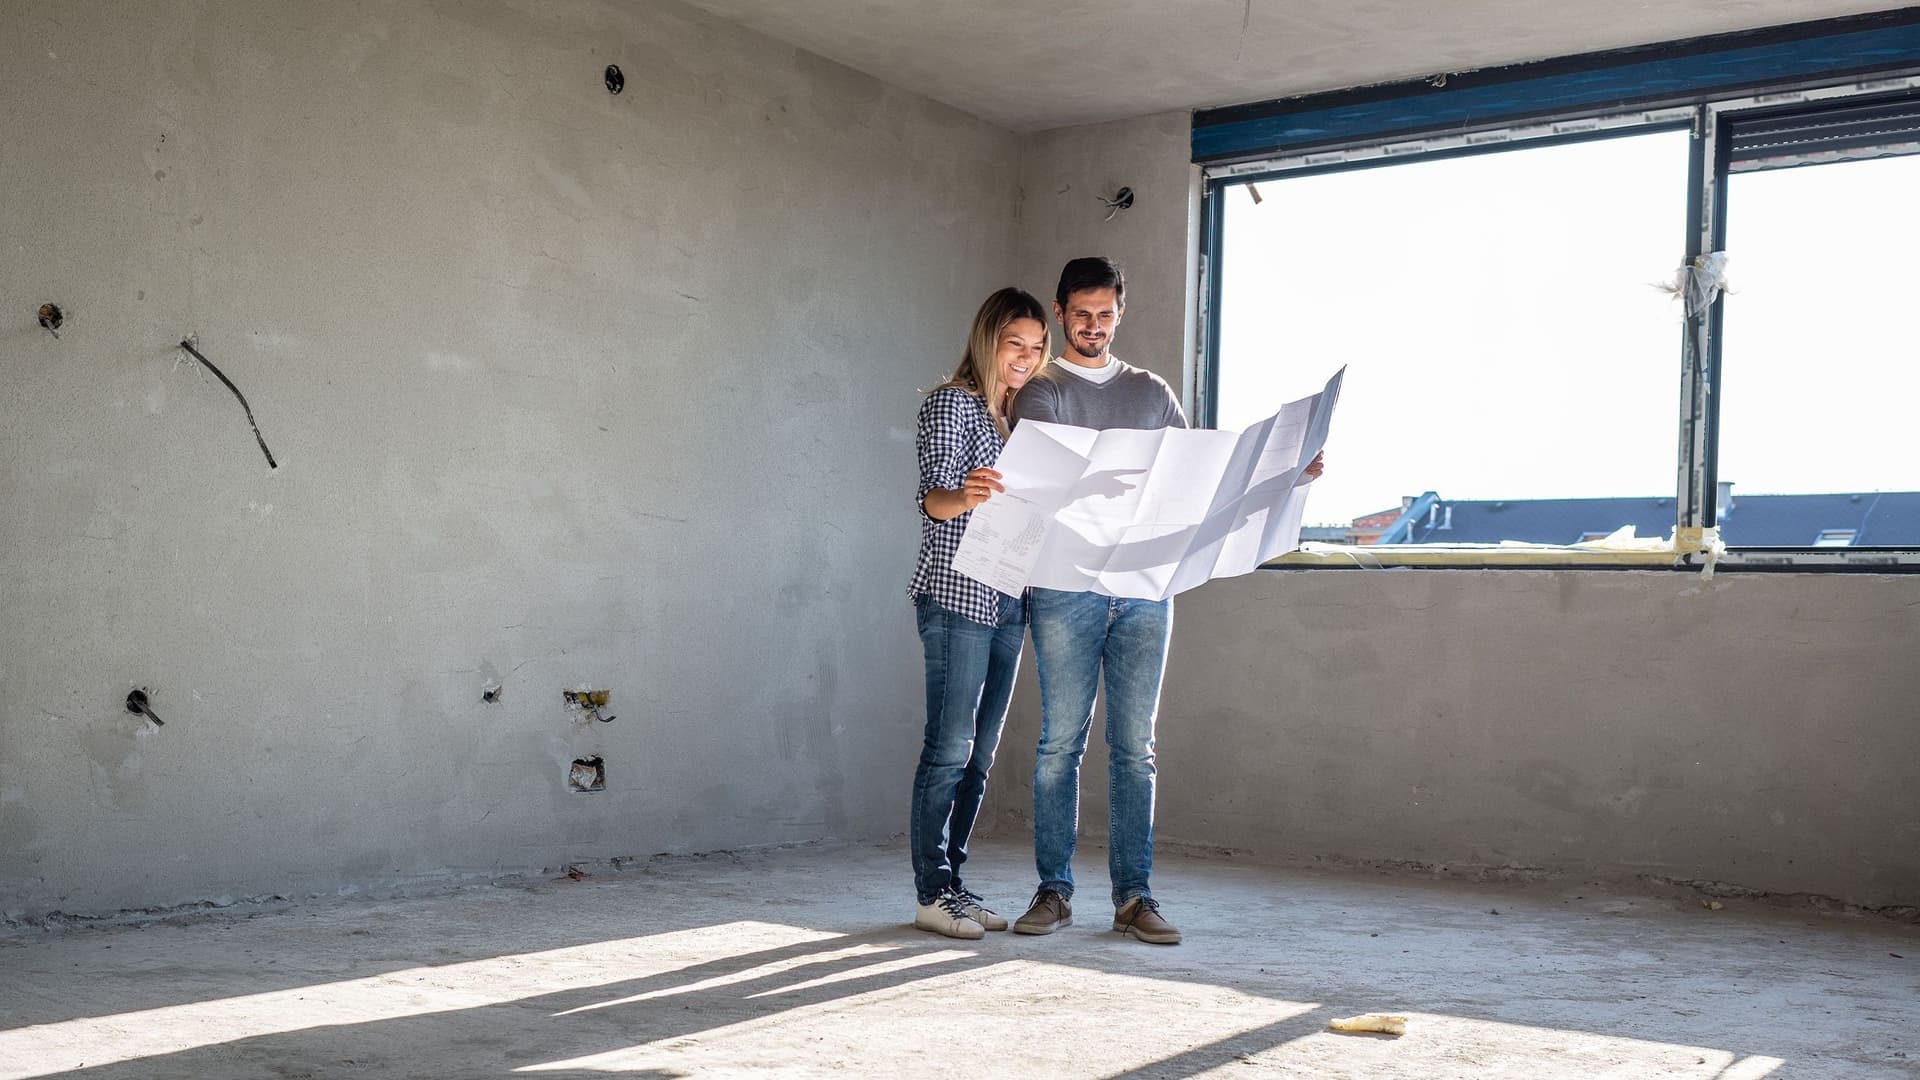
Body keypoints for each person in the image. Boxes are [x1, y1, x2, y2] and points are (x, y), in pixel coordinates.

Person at [1009, 256, 1322, 945]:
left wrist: (1286, 475)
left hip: (1146, 590)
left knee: (1135, 748)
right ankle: (1053, 893)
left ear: (1121, 313)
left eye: (1106, 313)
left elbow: (1197, 480)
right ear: (1061, 313)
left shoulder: (1153, 393)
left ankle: (1134, 898)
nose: (1093, 326)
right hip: (1066, 587)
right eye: (1081, 314)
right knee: (1059, 744)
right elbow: (1043, 481)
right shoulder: (1042, 388)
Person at [907, 286, 1049, 939]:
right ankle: (932, 890)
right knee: (948, 747)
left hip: (1009, 597)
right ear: (988, 339)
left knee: (980, 754)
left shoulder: (1016, 426)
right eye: (1015, 342)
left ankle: (954, 884)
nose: (1026, 356)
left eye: (1036, 347)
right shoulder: (951, 405)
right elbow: (932, 502)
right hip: (957, 595)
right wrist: (964, 493)